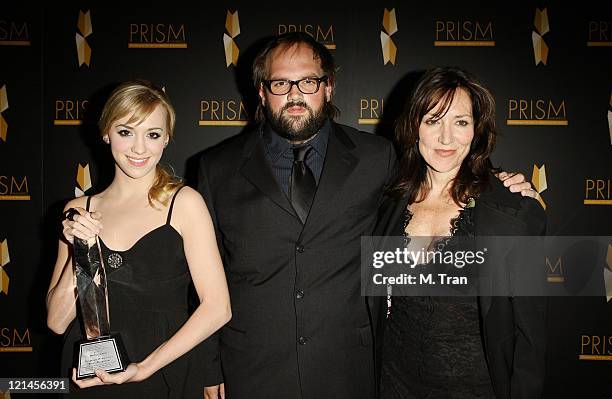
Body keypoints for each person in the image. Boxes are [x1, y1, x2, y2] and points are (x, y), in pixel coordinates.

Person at [198, 33, 533, 399]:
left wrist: (500, 183)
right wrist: (209, 366)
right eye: (280, 83)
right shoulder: (216, 169)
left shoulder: (378, 158)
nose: (295, 94)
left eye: (308, 81)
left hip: (351, 371)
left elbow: (445, 178)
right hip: (252, 369)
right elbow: (200, 280)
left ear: (328, 87)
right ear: (262, 92)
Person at [46, 80, 231, 398]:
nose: (139, 148)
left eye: (153, 134)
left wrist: (143, 368)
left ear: (167, 139)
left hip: (161, 371)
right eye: (126, 132)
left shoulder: (184, 203)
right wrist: (80, 250)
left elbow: (218, 308)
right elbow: (56, 322)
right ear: (106, 133)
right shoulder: (78, 209)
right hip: (88, 377)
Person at [375, 67, 547, 399]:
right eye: (433, 120)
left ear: (477, 130)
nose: (446, 138)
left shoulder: (512, 213)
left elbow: (530, 339)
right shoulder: (385, 202)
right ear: (414, 126)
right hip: (393, 384)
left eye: (461, 122)